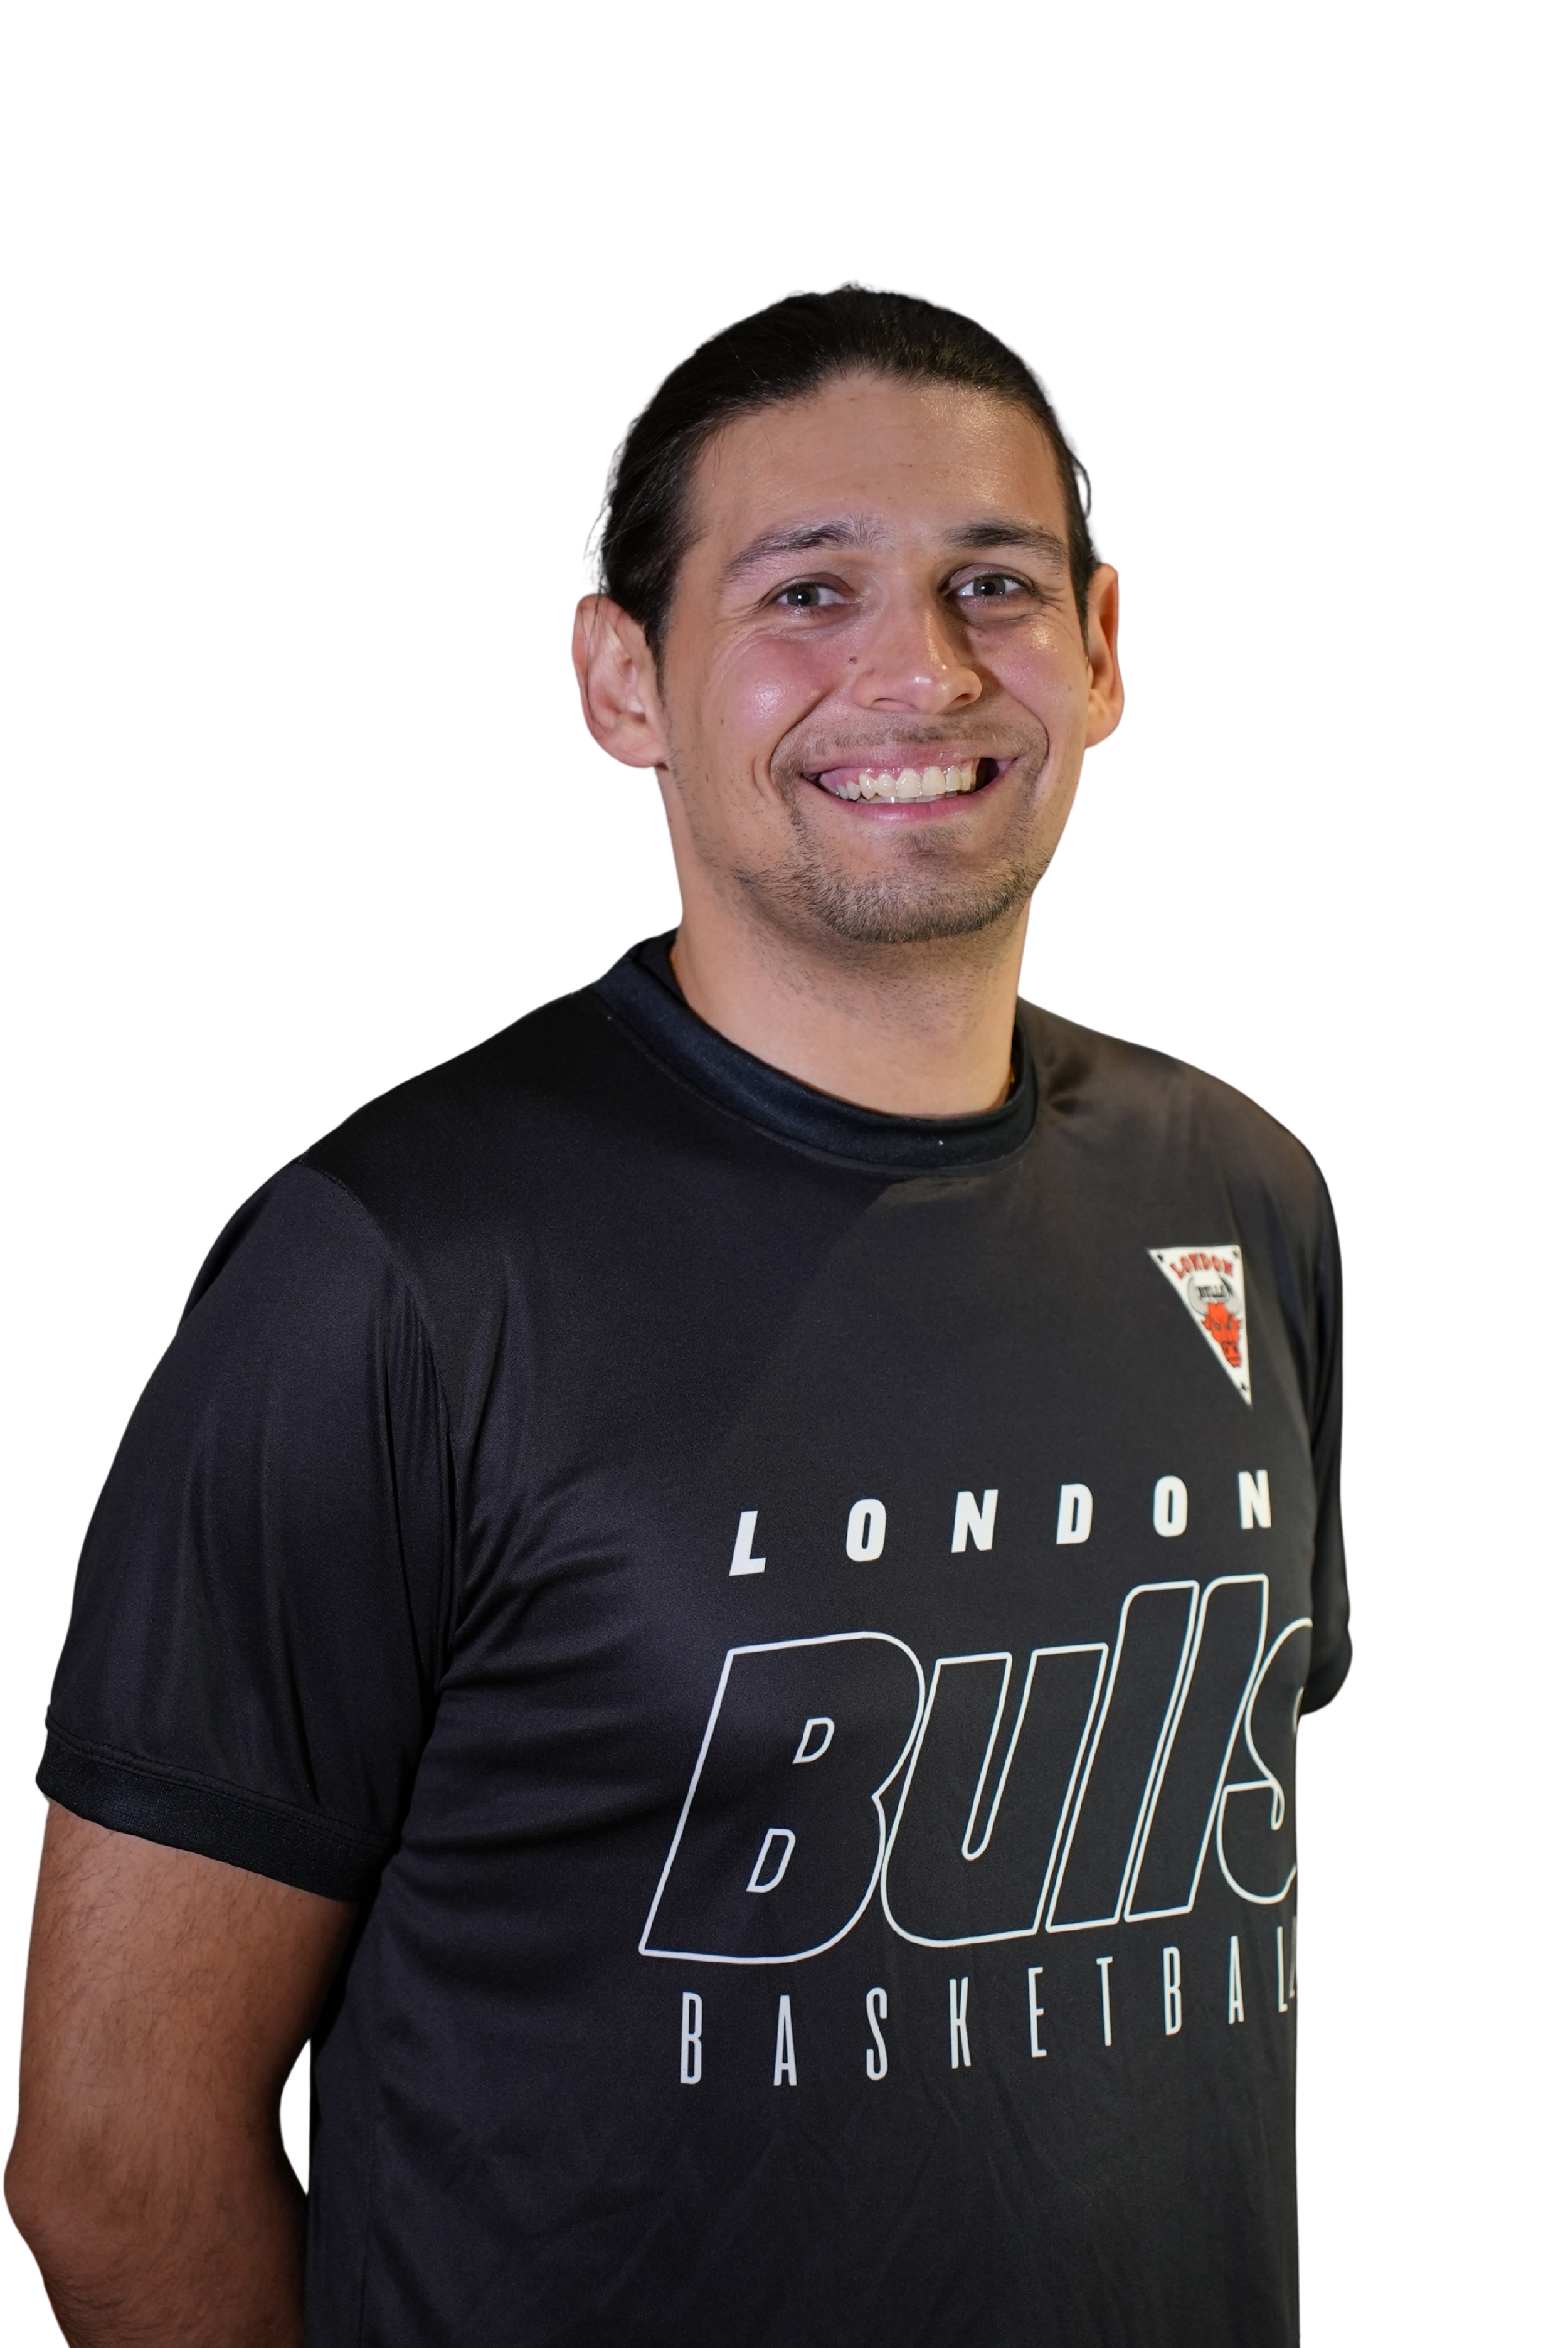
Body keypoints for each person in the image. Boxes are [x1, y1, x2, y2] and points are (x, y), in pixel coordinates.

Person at [5, 287, 1351, 2346]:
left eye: (988, 582)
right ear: (619, 685)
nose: (916, 665)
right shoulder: (390, 1267)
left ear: (1096, 655)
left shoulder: (1236, 1196)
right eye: (805, 589)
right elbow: (117, 2163)